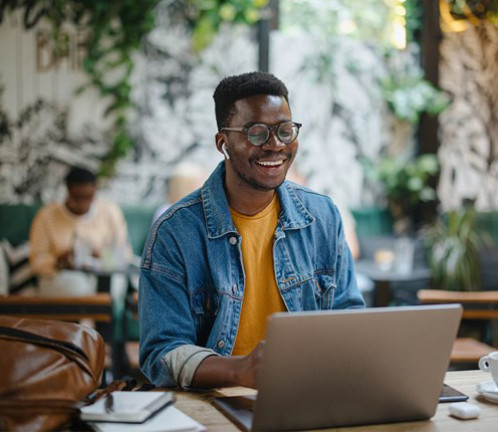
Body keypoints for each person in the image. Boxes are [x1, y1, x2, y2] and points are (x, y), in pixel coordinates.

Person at [138, 71, 365, 390]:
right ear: (223, 143)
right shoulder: (175, 232)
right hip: (215, 402)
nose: (275, 145)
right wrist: (238, 371)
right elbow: (161, 353)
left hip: (308, 393)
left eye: (285, 130)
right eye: (256, 133)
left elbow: (348, 318)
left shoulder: (322, 216)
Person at [29, 167, 133, 297]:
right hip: (61, 278)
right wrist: (58, 261)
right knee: (75, 286)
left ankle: (96, 312)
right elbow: (36, 262)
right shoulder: (46, 216)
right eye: (77, 197)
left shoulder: (111, 212)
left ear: (95, 191)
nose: (83, 202)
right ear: (68, 191)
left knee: (114, 283)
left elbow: (125, 255)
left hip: (103, 275)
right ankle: (92, 313)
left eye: (88, 196)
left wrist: (100, 254)